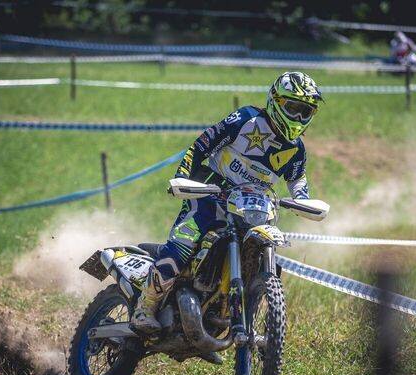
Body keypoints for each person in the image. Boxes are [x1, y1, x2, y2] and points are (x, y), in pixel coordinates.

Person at [131, 71, 324, 333]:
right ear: (276, 101)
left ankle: (236, 318)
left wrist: (303, 201)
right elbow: (202, 145)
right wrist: (183, 177)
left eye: (306, 112)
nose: (299, 117)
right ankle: (145, 307)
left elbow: (297, 180)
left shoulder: (296, 150)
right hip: (209, 194)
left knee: (260, 253)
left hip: (252, 207)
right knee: (184, 243)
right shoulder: (246, 119)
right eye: (294, 108)